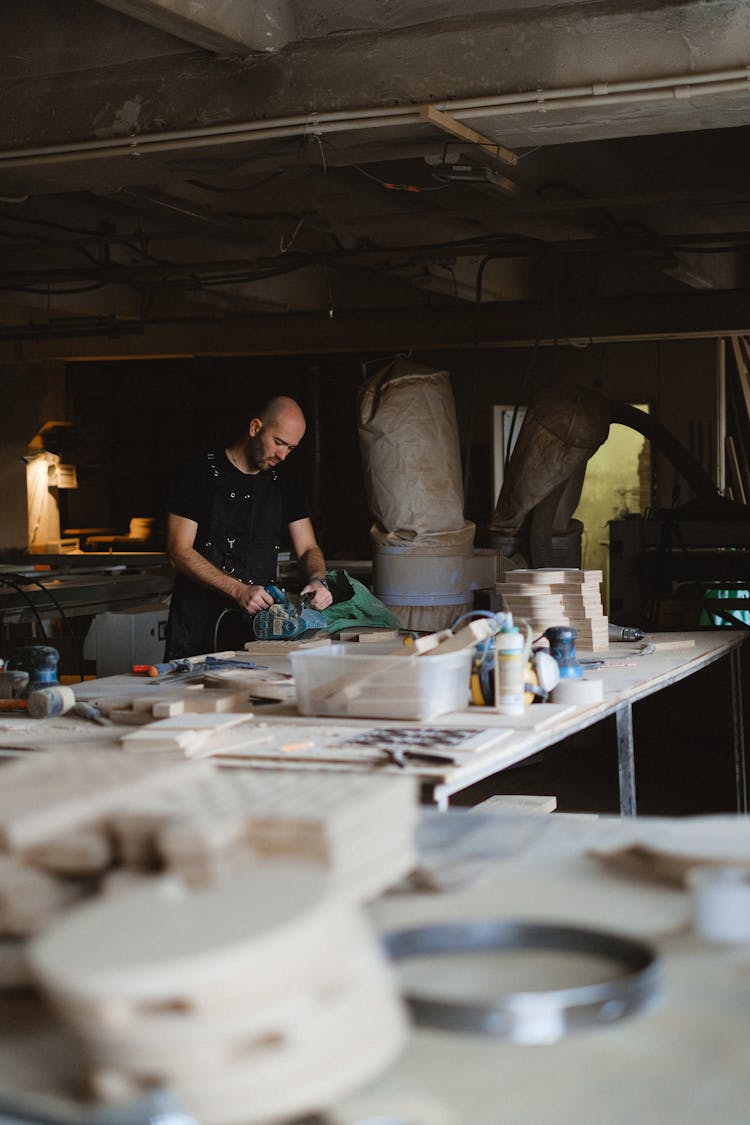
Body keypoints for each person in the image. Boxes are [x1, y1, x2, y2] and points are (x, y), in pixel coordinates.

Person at [164, 395, 333, 659]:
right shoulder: (198, 472)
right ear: (255, 428)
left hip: (259, 626)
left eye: (291, 448)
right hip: (196, 625)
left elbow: (308, 548)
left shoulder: (286, 481)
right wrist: (238, 590)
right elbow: (178, 551)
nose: (282, 455)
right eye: (278, 443)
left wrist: (316, 579)